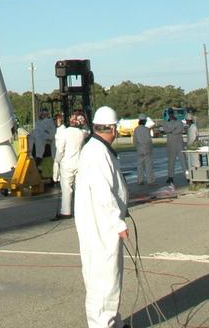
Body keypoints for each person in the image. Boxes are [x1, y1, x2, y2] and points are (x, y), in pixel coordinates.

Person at [74, 105, 129, 328]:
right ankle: (102, 324)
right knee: (104, 280)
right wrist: (118, 222)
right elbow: (103, 192)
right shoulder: (97, 153)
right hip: (101, 226)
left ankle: (113, 321)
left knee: (109, 278)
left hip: (100, 224)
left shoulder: (97, 149)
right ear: (112, 129)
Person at [55, 110, 87, 216]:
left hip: (66, 164)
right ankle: (81, 210)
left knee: (66, 189)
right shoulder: (82, 133)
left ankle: (66, 211)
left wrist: (57, 161)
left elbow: (60, 150)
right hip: (79, 162)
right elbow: (88, 131)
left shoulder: (65, 132)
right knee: (79, 188)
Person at [163, 108, 185, 185]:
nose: (171, 114)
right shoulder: (165, 123)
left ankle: (187, 175)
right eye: (170, 113)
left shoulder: (179, 122)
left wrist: (172, 131)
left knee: (183, 160)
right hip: (171, 144)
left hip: (179, 143)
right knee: (171, 161)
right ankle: (170, 176)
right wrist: (174, 130)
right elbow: (166, 130)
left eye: (171, 113)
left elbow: (180, 129)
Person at [133, 115, 154, 186]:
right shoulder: (146, 129)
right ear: (144, 121)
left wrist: (137, 148)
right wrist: (150, 148)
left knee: (140, 166)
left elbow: (134, 140)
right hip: (147, 149)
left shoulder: (136, 129)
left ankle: (140, 180)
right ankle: (150, 181)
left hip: (139, 149)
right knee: (148, 166)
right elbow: (148, 140)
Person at [52, 113, 66, 182]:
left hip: (59, 150)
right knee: (56, 163)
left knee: (57, 163)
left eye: (58, 120)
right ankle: (57, 178)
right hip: (55, 149)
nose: (56, 121)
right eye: (55, 120)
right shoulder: (55, 129)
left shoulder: (63, 129)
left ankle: (56, 179)